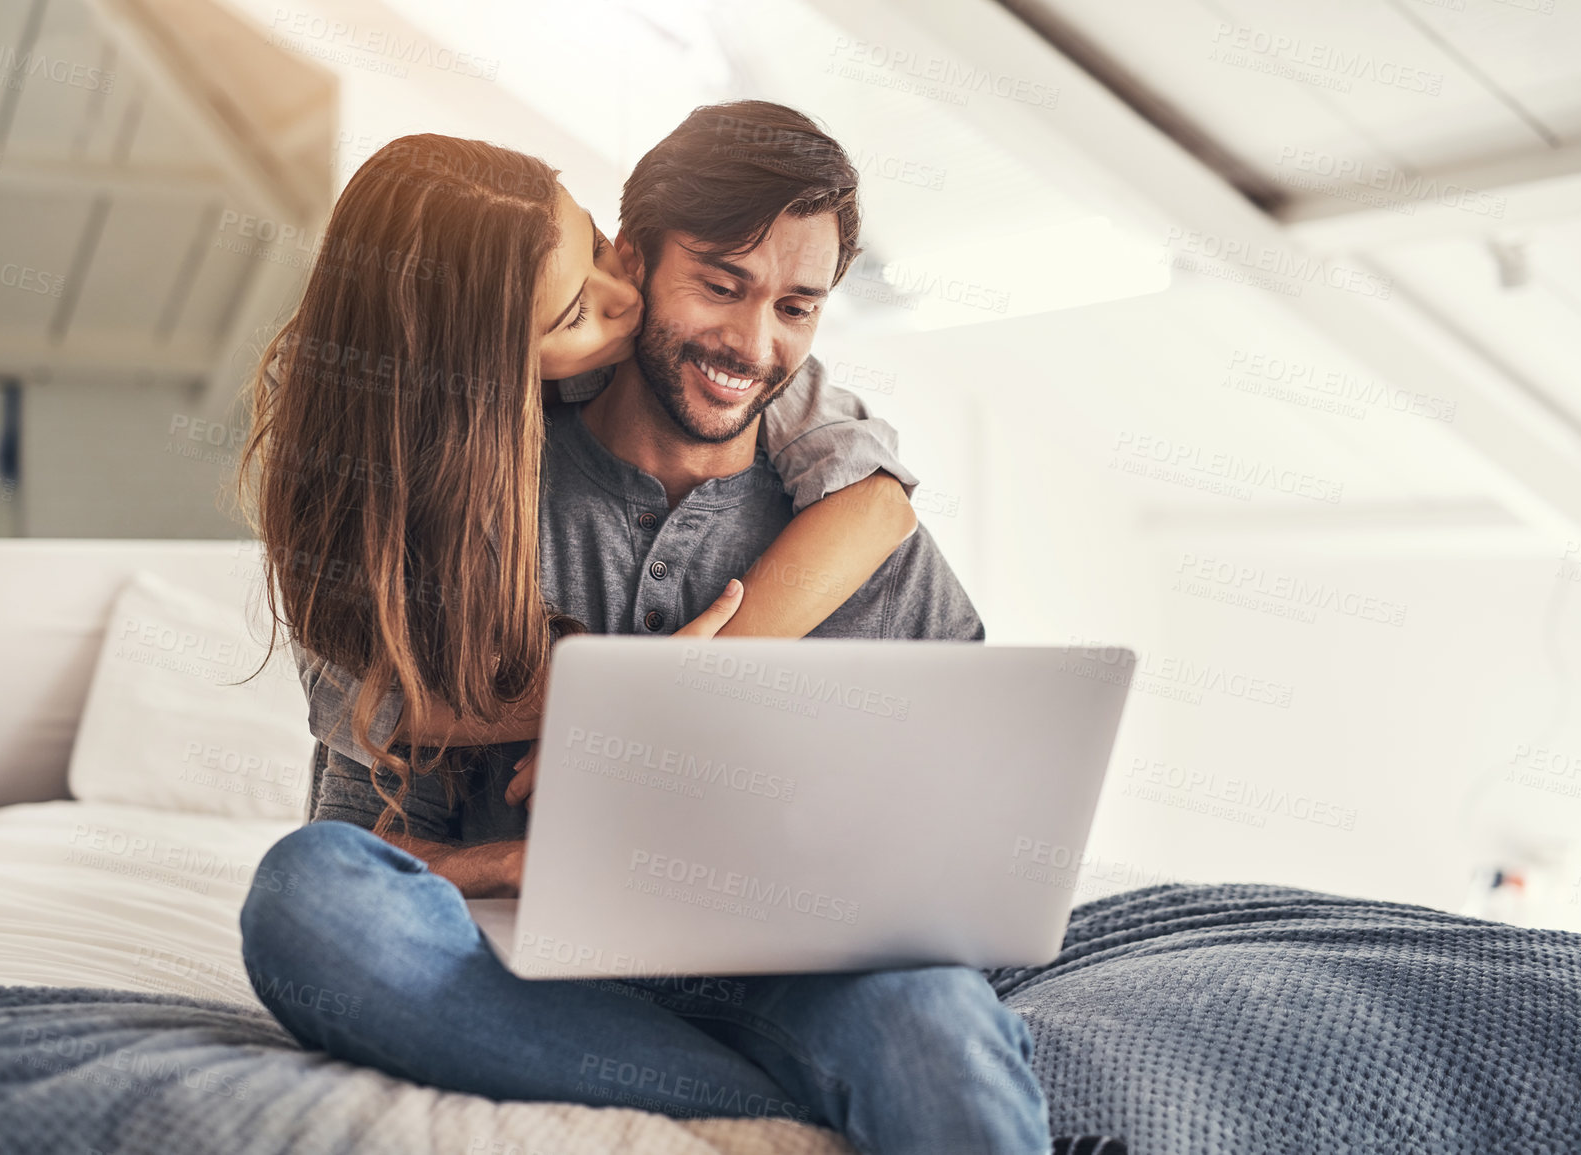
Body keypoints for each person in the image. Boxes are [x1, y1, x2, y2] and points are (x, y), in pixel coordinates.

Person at [238, 102, 1052, 1155]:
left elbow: (970, 833)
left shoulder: (847, 517)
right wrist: (515, 854)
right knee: (307, 904)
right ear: (631, 261)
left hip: (783, 969)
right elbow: (375, 839)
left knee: (931, 1014)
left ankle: (789, 1079)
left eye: (797, 308)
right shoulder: (461, 479)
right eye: (722, 284)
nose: (755, 345)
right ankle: (776, 1109)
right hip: (512, 962)